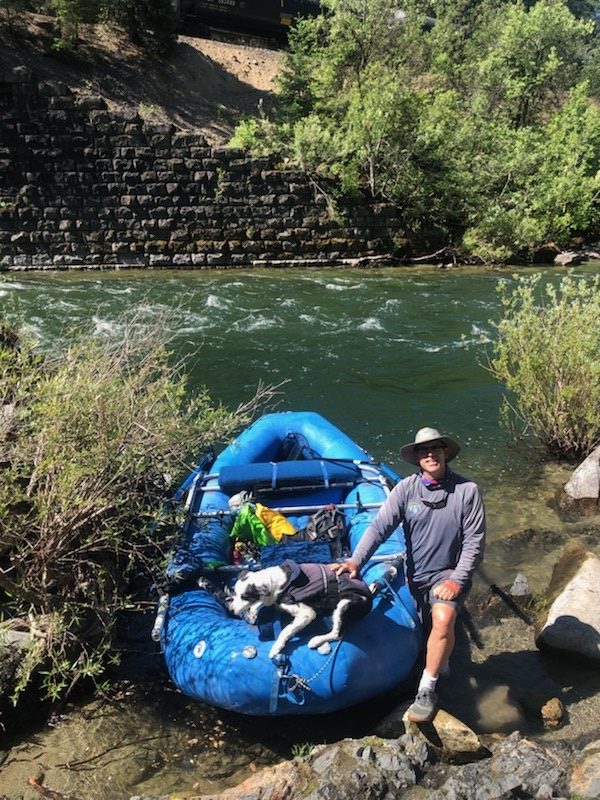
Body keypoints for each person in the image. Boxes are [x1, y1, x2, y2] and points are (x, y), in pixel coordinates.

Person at [330, 426, 486, 723]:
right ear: (417, 457)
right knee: (431, 625)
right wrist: (355, 562)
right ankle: (442, 660)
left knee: (442, 622)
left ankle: (426, 689)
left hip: (450, 574)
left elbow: (474, 544)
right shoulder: (406, 489)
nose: (430, 454)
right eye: (424, 450)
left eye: (435, 449)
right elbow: (378, 528)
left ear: (445, 453)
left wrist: (457, 580)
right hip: (417, 576)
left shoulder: (467, 492)